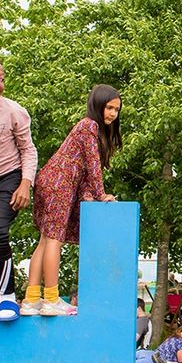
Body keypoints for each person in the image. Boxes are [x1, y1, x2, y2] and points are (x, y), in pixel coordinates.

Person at [21, 84, 121, 316]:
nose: (113, 114)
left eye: (116, 110)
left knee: (45, 241)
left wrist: (90, 196)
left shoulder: (89, 128)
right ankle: (51, 299)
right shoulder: (89, 125)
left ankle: (31, 299)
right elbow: (93, 166)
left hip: (51, 179)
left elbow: (86, 171)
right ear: (97, 105)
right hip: (59, 183)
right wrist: (100, 194)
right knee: (55, 241)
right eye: (108, 107)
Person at [0, 55, 38, 318]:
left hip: (9, 178)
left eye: (1, 78)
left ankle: (7, 297)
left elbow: (28, 150)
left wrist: (25, 184)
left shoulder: (14, 112)